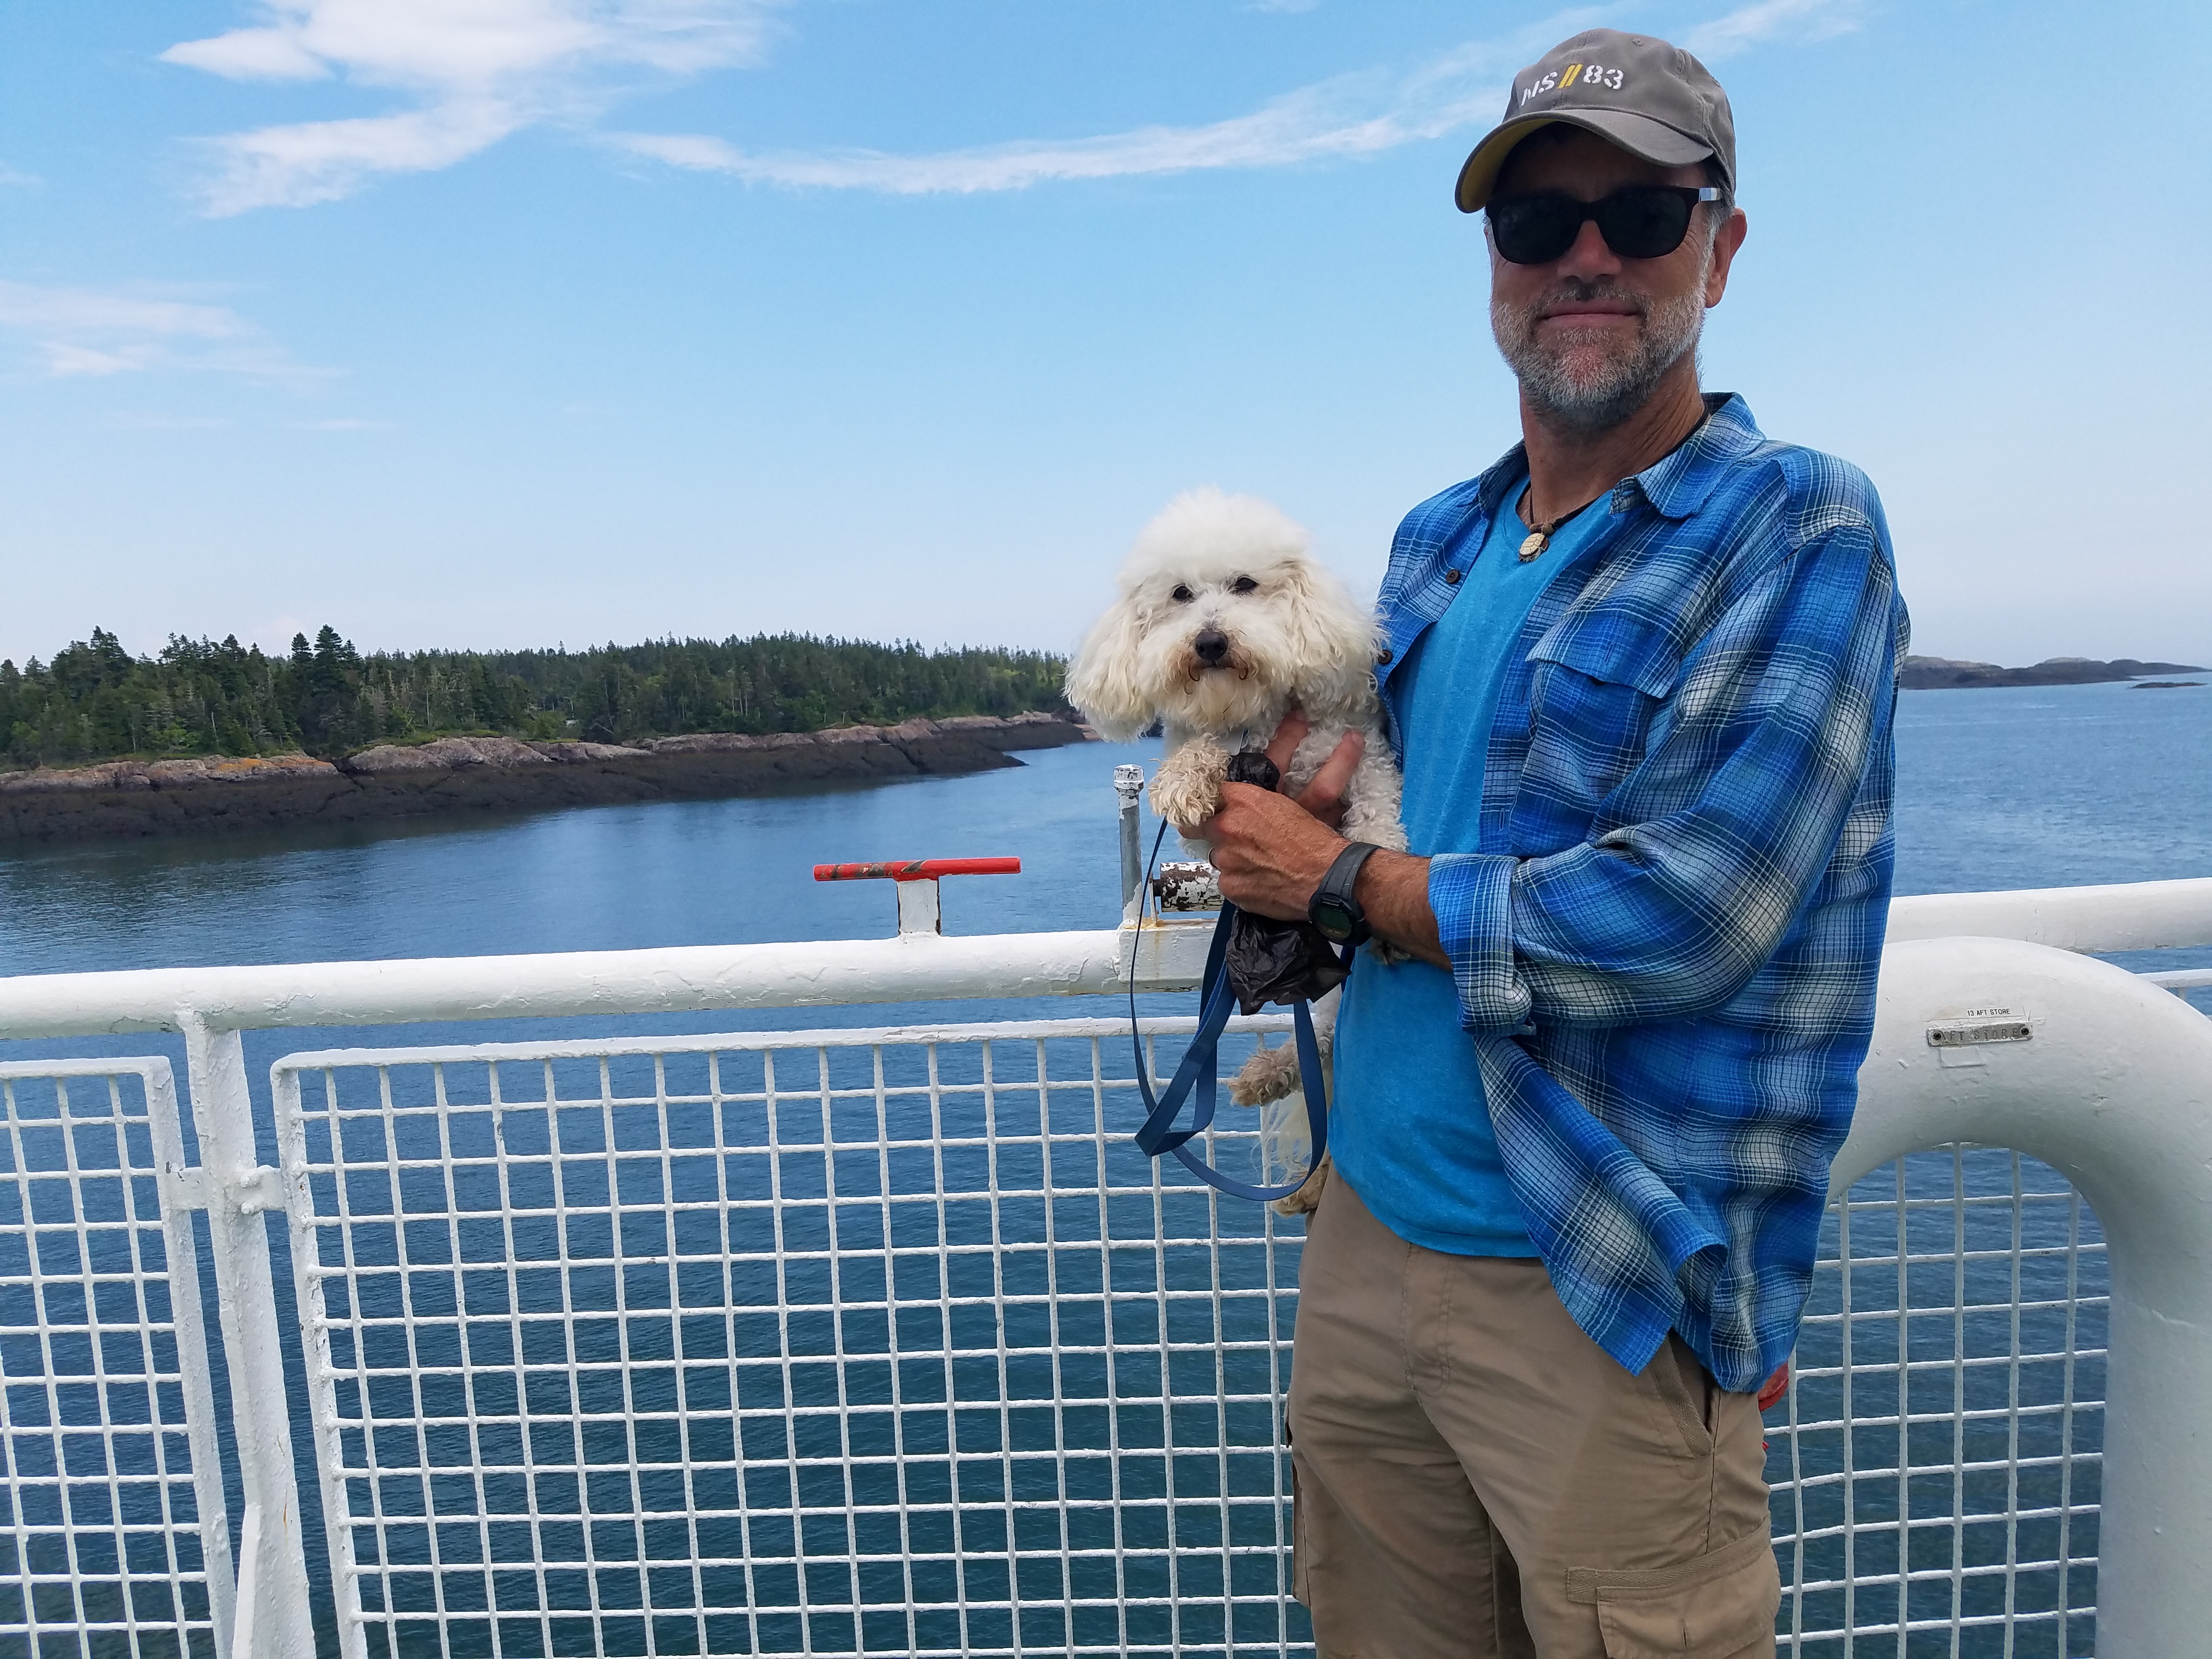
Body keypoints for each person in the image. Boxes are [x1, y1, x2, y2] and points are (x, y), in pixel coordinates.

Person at [1197, 28, 1909, 1659]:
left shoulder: (1798, 526)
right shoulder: (1439, 534)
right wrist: (1307, 801)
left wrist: (1339, 884)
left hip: (1598, 1271)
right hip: (1368, 1235)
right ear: (1495, 270)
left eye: (1640, 217)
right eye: (1536, 225)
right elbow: (1399, 785)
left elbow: (1694, 910)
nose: (1583, 256)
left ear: (1719, 250)